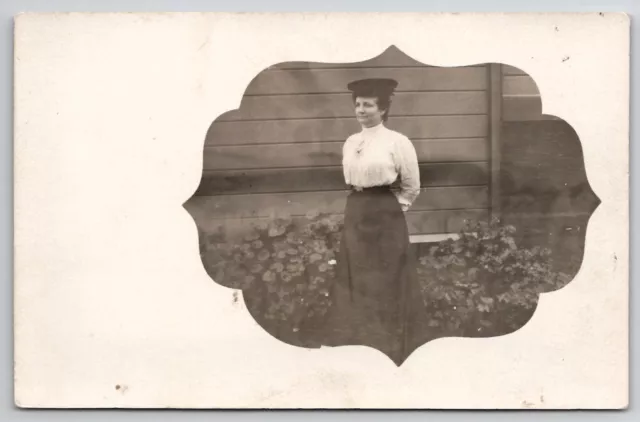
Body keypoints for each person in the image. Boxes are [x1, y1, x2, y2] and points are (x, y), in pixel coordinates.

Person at [321, 78, 422, 365]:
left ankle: (387, 341)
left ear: (383, 108)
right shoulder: (351, 142)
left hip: (384, 213)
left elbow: (411, 186)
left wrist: (391, 212)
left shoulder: (397, 141)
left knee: (384, 275)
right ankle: (358, 339)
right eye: (357, 104)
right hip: (355, 208)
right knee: (356, 274)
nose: (361, 110)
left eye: (368, 104)